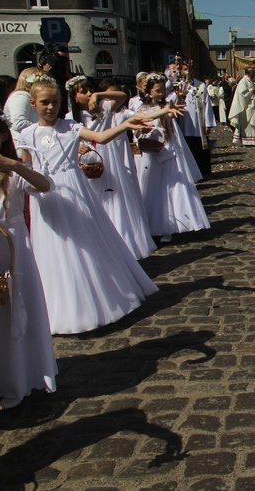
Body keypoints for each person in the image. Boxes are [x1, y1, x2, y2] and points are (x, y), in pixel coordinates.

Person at [18, 78, 157, 335]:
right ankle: (56, 307)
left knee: (82, 243)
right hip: (44, 196)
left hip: (73, 189)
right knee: (51, 249)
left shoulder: (70, 127)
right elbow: (27, 167)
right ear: (33, 103)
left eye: (55, 102)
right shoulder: (27, 134)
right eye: (45, 103)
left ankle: (94, 299)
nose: (50, 108)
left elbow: (101, 138)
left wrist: (126, 124)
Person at [0, 115, 57, 409]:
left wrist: (16, 165)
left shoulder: (12, 173)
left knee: (14, 311)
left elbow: (46, 185)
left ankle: (18, 376)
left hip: (13, 248)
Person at [66, 75, 157, 260]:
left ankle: (123, 243)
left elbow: (122, 96)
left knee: (113, 197)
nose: (89, 94)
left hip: (108, 155)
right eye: (83, 92)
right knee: (94, 200)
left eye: (89, 89)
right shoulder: (70, 119)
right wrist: (77, 148)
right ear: (74, 97)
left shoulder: (104, 108)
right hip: (87, 160)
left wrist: (99, 94)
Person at [135, 74, 210, 243]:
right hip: (150, 152)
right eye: (157, 91)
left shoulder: (168, 106)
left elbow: (173, 118)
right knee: (151, 187)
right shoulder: (142, 108)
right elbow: (137, 128)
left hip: (167, 149)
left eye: (162, 90)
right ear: (148, 91)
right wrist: (142, 131)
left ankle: (168, 226)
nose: (160, 93)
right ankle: (152, 224)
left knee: (168, 187)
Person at [4, 68, 43, 147]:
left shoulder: (28, 96)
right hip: (21, 145)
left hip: (31, 143)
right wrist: (44, 128)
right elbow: (18, 123)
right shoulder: (21, 96)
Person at [229, 68, 255, 146]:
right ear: (250, 74)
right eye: (254, 75)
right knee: (248, 125)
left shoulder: (250, 81)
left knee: (253, 125)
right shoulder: (243, 81)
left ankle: (254, 141)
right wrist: (252, 91)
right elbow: (242, 94)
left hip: (252, 107)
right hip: (246, 109)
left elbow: (254, 90)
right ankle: (248, 141)